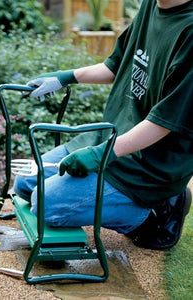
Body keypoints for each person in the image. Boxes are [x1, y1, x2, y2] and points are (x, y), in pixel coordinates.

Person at [13, 0, 193, 250]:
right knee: (25, 183)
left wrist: (101, 155)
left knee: (45, 204)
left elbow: (163, 122)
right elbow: (115, 65)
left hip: (150, 163)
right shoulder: (152, 5)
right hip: (113, 136)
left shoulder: (189, 30)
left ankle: (155, 215)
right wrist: (64, 77)